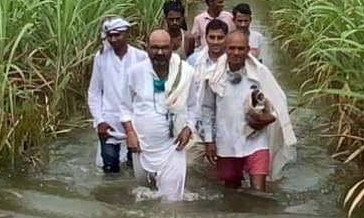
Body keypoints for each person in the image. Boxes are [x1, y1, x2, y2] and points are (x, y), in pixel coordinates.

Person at [200, 31, 296, 191]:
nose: (236, 52)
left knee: (258, 191)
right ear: (225, 49)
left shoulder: (260, 74)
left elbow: (278, 104)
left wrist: (268, 118)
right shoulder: (214, 77)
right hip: (227, 143)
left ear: (248, 50)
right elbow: (207, 109)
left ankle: (257, 216)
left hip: (256, 141)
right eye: (232, 48)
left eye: (240, 48)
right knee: (231, 191)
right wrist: (209, 141)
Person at [120, 29, 199, 201]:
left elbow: (193, 106)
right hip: (142, 146)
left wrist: (188, 129)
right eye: (155, 47)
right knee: (144, 195)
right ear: (147, 48)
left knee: (172, 202)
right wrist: (130, 133)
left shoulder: (185, 72)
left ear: (172, 47)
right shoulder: (135, 72)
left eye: (164, 47)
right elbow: (124, 108)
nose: (160, 52)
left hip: (174, 145)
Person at [87, 17, 149, 173]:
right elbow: (94, 92)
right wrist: (99, 120)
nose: (113, 39)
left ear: (127, 34)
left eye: (118, 35)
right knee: (109, 168)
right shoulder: (101, 57)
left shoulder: (141, 57)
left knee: (135, 166)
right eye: (110, 36)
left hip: (136, 121)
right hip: (109, 121)